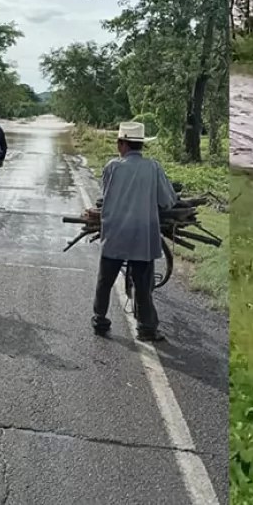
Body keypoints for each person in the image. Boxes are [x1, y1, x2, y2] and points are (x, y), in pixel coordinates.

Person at [91, 121, 176, 342]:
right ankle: (147, 328)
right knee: (143, 283)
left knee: (105, 281)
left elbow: (105, 195)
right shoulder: (153, 167)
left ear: (122, 144)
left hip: (115, 232)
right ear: (141, 145)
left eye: (119, 143)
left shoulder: (112, 167)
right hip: (143, 235)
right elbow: (167, 201)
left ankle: (100, 319)